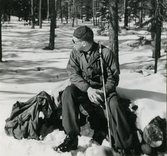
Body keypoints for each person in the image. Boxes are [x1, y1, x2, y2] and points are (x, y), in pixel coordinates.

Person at [53, 25, 140, 155]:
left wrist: (102, 91)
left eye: (74, 41)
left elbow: (113, 78)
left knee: (115, 105)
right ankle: (71, 137)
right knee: (68, 93)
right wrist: (88, 89)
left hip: (103, 89)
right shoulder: (75, 52)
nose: (72, 44)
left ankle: (125, 145)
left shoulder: (105, 53)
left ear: (83, 43)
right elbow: (72, 73)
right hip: (84, 88)